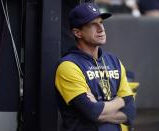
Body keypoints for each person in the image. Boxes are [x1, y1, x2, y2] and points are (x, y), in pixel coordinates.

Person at [55, 2, 136, 131]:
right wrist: (121, 100)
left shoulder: (113, 60)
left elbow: (130, 113)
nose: (101, 29)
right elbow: (92, 112)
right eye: (93, 24)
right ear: (77, 33)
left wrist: (100, 108)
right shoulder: (68, 66)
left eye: (101, 23)